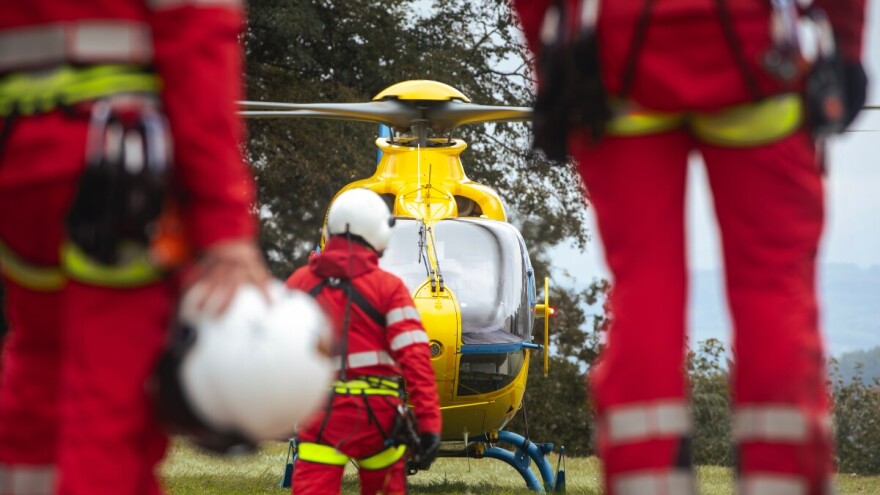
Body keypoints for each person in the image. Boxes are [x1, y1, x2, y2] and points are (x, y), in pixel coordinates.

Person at [512, 1, 867, 494]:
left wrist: (552, 62)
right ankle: (782, 477)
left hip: (618, 65)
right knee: (773, 289)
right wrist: (846, 49)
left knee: (644, 289)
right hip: (754, 58)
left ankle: (647, 479)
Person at [0, 1, 269, 493]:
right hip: (111, 168)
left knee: (40, 370)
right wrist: (224, 226)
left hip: (18, 164)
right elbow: (199, 36)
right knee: (114, 405)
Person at [286, 188, 442, 495]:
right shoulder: (390, 289)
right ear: (378, 232)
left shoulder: (300, 283)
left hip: (321, 415)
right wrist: (429, 423)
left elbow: (278, 354)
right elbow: (416, 360)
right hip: (378, 418)